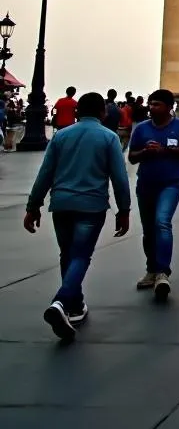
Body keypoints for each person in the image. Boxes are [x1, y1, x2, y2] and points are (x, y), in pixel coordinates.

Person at [24, 91, 131, 341]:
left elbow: (45, 173)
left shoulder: (61, 136)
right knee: (81, 255)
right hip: (91, 206)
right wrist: (123, 210)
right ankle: (61, 301)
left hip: (61, 204)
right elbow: (119, 178)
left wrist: (33, 206)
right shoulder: (109, 137)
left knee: (67, 254)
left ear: (76, 111)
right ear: (103, 113)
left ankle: (74, 304)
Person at [127, 89, 179, 301]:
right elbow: (132, 157)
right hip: (146, 183)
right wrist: (146, 152)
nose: (151, 107)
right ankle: (152, 269)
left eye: (156, 104)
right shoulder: (141, 129)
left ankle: (163, 273)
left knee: (162, 222)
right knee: (149, 229)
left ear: (169, 107)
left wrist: (166, 150)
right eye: (150, 103)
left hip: (172, 182)